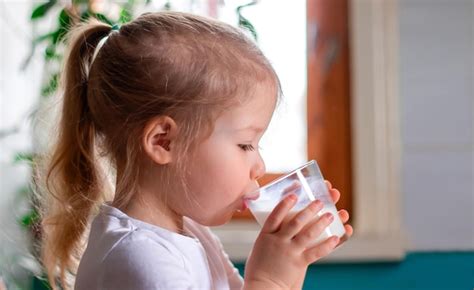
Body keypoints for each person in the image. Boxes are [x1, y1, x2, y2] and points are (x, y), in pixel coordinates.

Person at [36, 11, 353, 290]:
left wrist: (290, 265)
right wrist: (270, 281)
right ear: (164, 141)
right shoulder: (139, 260)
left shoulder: (191, 234)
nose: (260, 166)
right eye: (245, 144)